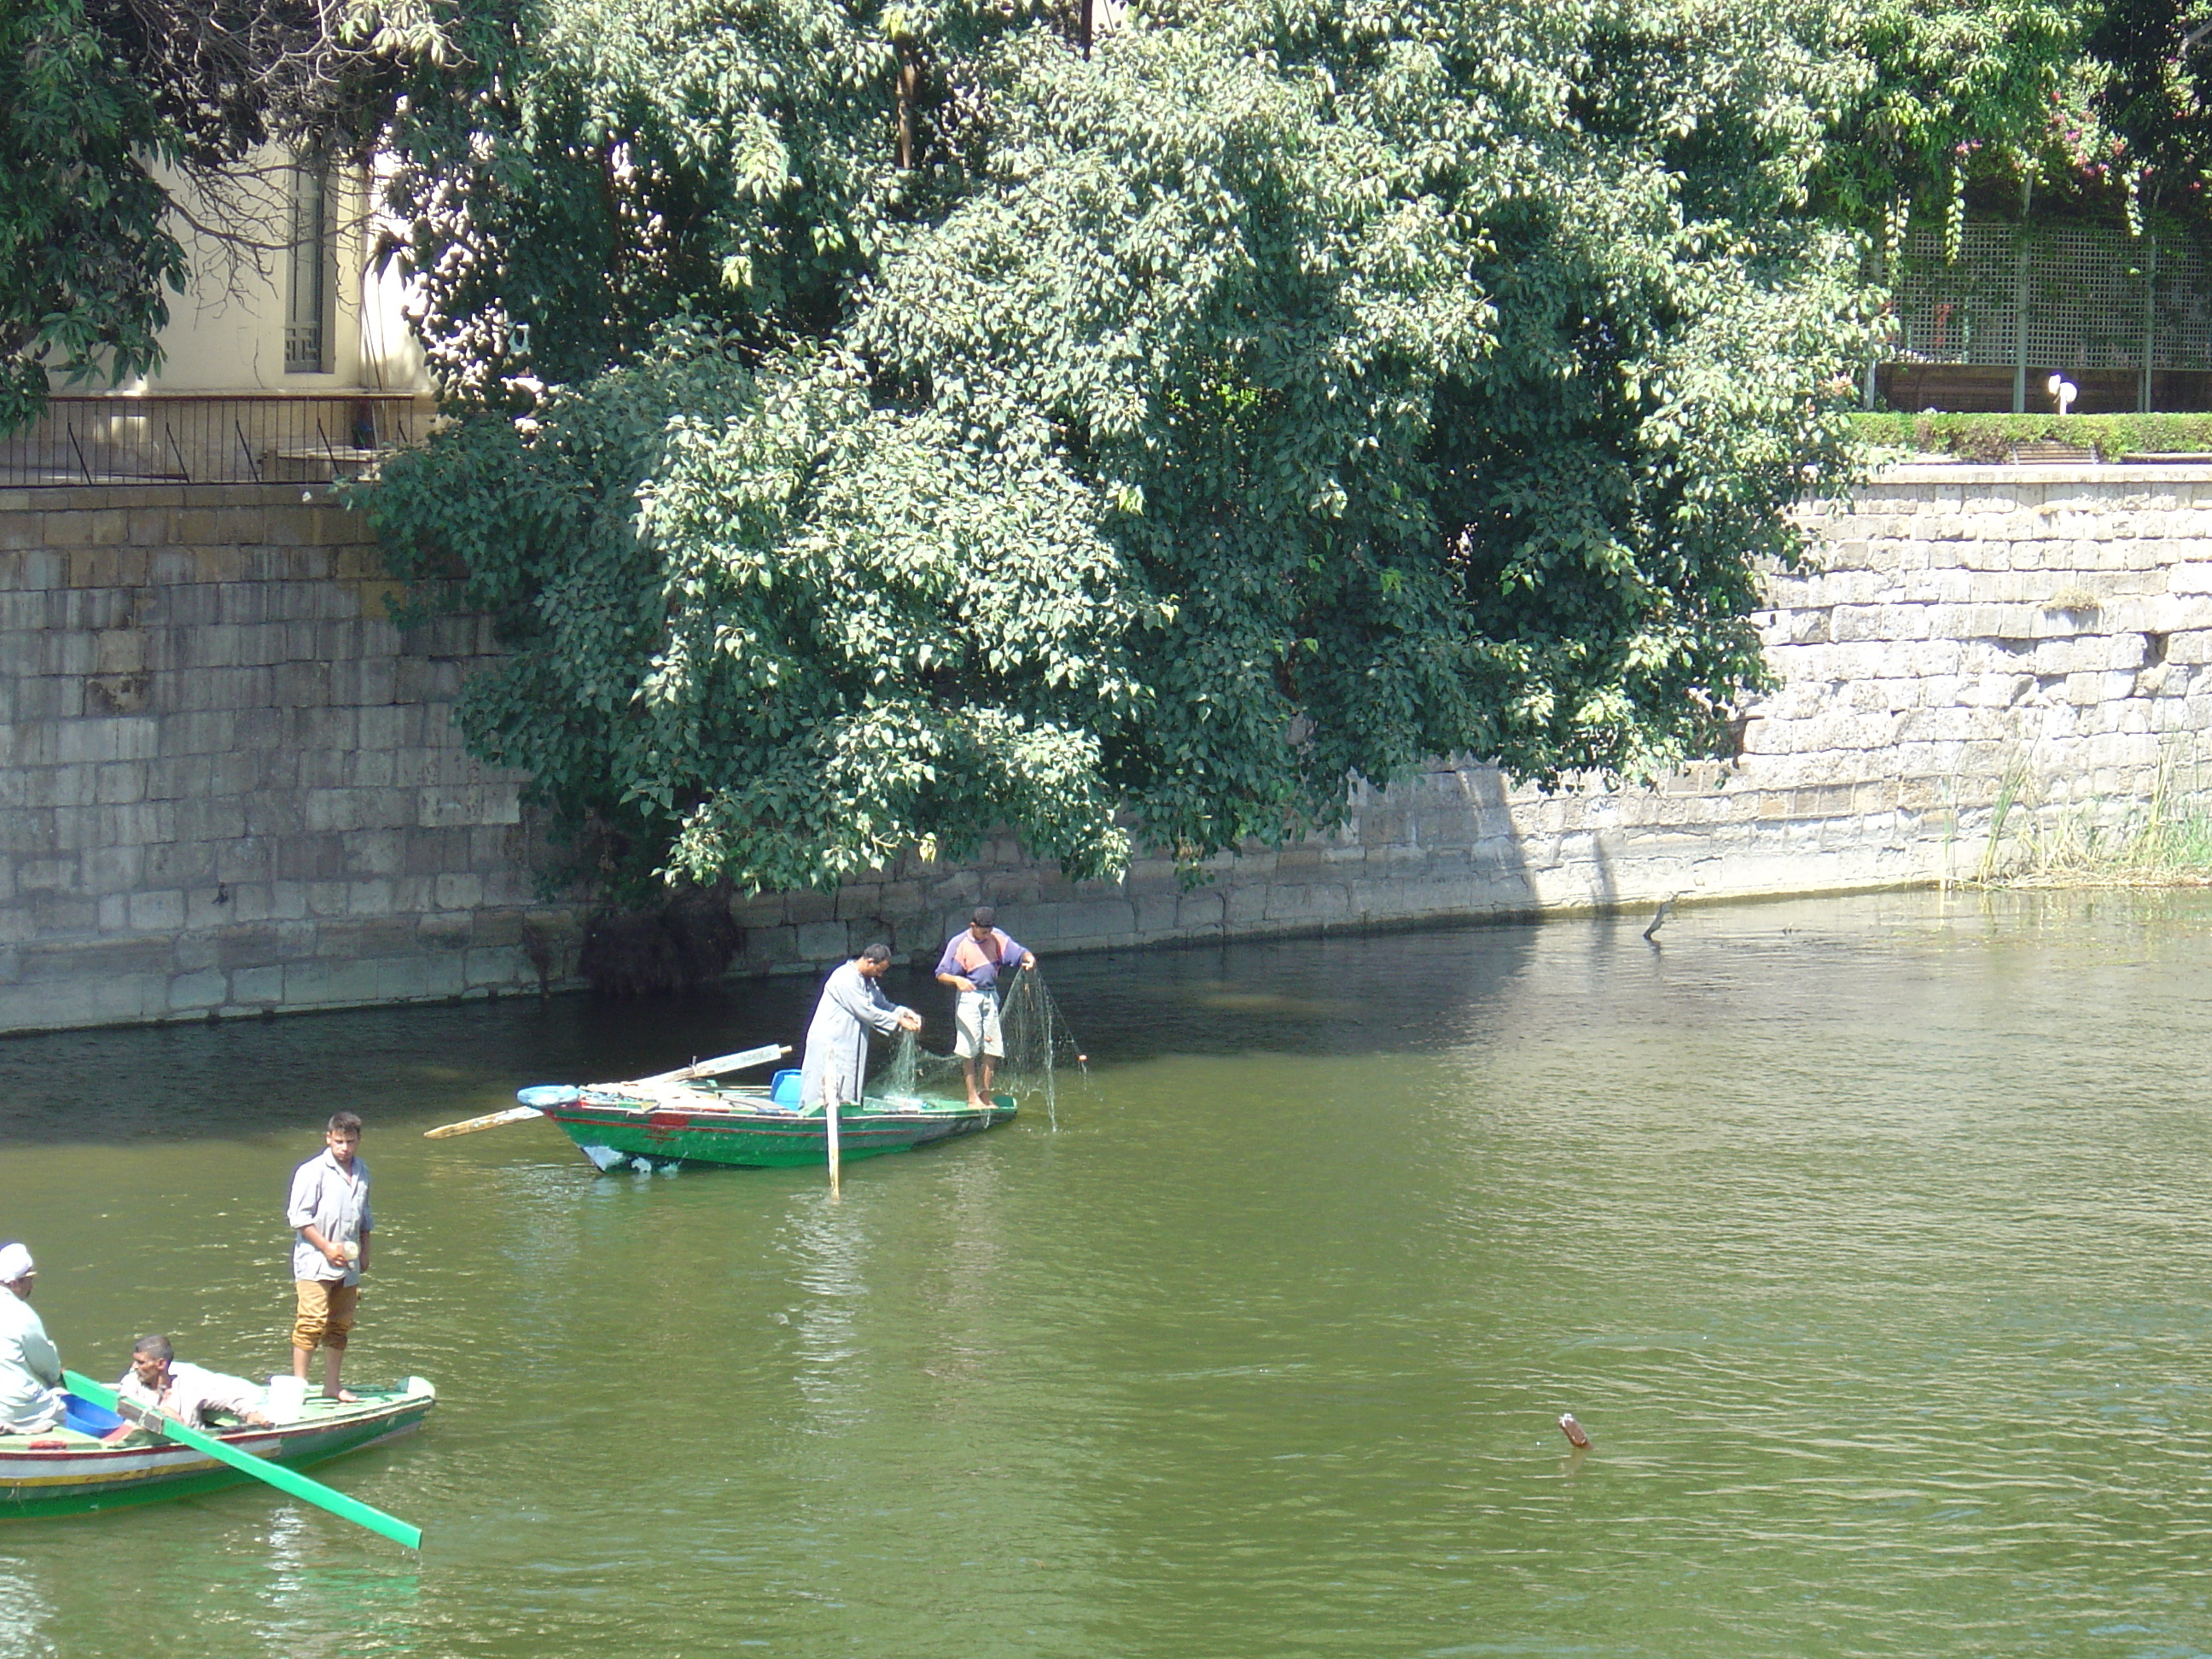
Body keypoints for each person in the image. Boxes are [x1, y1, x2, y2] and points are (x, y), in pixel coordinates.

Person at [286, 1110, 371, 1403]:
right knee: (311, 1321)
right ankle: (299, 1387)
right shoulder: (311, 1171)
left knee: (340, 1325)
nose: (344, 1148)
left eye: (350, 1141)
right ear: (328, 1139)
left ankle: (332, 1386)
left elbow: (365, 1217)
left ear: (359, 1140)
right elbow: (299, 1217)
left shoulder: (362, 1171)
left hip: (349, 1263)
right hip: (314, 1261)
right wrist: (327, 1247)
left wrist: (365, 1251)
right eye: (338, 1141)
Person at [934, 905, 1035, 1110]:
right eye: (983, 931)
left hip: (991, 996)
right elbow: (940, 973)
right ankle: (972, 1098)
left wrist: (1029, 959)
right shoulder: (959, 942)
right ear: (973, 926)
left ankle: (985, 1095)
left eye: (989, 931)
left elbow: (1021, 952)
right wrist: (957, 981)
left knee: (992, 1048)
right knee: (969, 1049)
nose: (987, 935)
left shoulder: (997, 937)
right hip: (969, 997)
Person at [800, 944, 922, 1113]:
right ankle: (813, 1116)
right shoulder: (844, 977)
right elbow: (866, 1010)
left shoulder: (867, 981)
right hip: (830, 1041)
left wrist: (905, 1012)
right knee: (824, 1083)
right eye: (879, 970)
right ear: (870, 961)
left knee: (847, 1084)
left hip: (848, 1041)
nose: (880, 975)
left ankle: (845, 1115)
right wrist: (898, 1022)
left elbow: (881, 1004)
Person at [115, 1333, 273, 1429]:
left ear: (161, 1364)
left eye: (141, 1363)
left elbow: (229, 1399)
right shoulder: (132, 1382)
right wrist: (163, 1414)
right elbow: (128, 1404)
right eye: (135, 1361)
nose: (134, 1367)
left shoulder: (189, 1387)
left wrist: (251, 1412)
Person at [0, 1244, 63, 1435]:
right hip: (11, 1408)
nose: (31, 1286)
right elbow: (49, 1370)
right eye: (29, 1279)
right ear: (15, 1283)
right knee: (60, 1409)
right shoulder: (21, 1314)